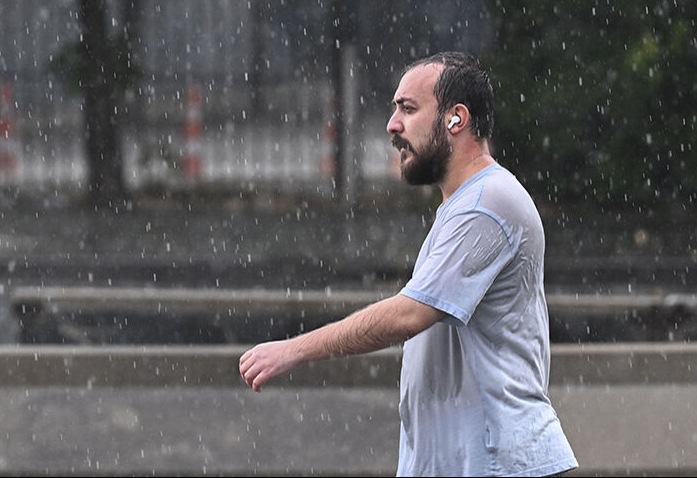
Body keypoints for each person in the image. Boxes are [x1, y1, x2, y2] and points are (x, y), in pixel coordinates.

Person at [238, 52, 578, 477]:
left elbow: (410, 313)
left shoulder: (487, 204)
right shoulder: (462, 205)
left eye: (408, 109)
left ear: (456, 119)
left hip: (496, 464)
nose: (392, 125)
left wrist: (294, 349)